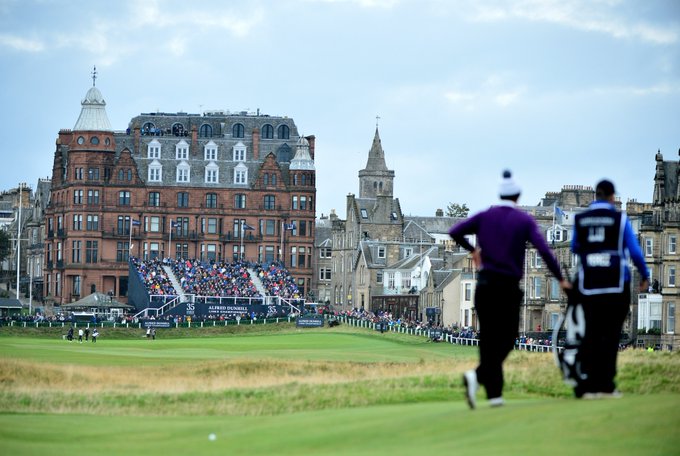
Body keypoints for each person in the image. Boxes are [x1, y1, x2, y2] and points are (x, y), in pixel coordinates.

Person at [448, 170, 571, 409]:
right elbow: (545, 251)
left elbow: (455, 231)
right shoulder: (524, 220)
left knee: (488, 340)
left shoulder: (485, 216)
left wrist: (472, 250)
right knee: (507, 338)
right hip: (506, 288)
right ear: (518, 195)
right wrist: (560, 279)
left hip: (484, 286)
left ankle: (493, 394)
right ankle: (482, 379)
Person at [570, 179, 649, 399]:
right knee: (611, 335)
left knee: (592, 334)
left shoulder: (581, 219)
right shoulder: (620, 219)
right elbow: (634, 251)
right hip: (616, 285)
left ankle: (588, 384)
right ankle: (606, 384)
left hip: (589, 285)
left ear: (596, 195)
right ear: (613, 197)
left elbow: (575, 246)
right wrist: (645, 274)